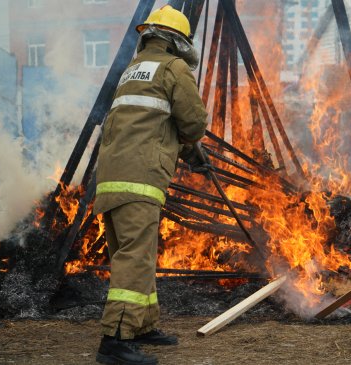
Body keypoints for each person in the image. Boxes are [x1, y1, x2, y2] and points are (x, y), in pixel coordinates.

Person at [92, 5, 208, 365]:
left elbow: (146, 122)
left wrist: (185, 151)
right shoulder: (175, 69)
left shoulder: (132, 71)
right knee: (134, 258)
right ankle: (114, 341)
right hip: (141, 176)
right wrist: (193, 148)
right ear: (178, 43)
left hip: (111, 178)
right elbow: (192, 123)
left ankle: (142, 325)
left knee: (133, 253)